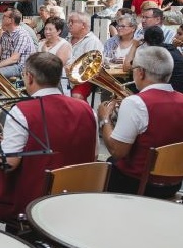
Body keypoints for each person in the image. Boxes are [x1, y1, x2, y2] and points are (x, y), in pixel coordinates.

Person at [0, 53, 97, 225]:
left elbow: (9, 164)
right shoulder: (86, 109)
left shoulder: (22, 111)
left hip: (34, 200)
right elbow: (94, 155)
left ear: (29, 77)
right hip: (76, 195)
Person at [99, 46, 183, 197]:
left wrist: (105, 119)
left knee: (104, 165)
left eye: (134, 68)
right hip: (174, 183)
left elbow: (117, 151)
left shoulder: (135, 103)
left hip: (137, 184)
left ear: (141, 72)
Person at [65, 11, 103, 99]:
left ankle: (83, 112)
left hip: (83, 79)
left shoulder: (92, 41)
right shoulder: (67, 39)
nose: (69, 24)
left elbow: (90, 67)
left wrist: (70, 69)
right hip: (62, 77)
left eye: (72, 22)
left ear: (83, 25)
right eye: (69, 22)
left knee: (76, 96)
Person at [137, 26, 183, 92]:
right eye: (177, 33)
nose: (175, 36)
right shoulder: (172, 49)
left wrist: (134, 45)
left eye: (180, 34)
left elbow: (127, 67)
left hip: (171, 93)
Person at [0, 8, 36, 78]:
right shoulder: (5, 33)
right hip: (8, 64)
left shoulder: (22, 34)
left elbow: (14, 59)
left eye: (4, 16)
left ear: (11, 20)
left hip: (21, 67)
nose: (2, 18)